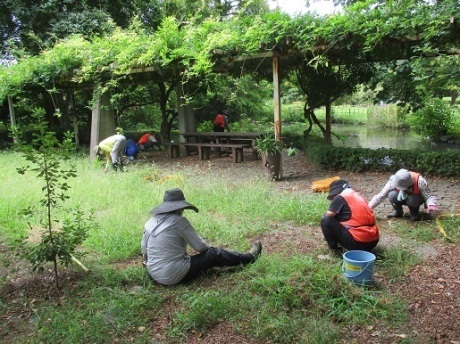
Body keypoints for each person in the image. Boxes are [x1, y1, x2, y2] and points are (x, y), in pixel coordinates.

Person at [141, 188, 262, 286]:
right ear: (180, 207)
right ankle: (249, 257)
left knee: (202, 256)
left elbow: (144, 250)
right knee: (214, 253)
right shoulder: (179, 222)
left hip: (153, 272)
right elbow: (201, 247)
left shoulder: (151, 221)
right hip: (172, 275)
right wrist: (210, 249)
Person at [319, 179, 379, 260]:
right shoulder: (358, 196)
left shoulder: (341, 197)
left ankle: (334, 254)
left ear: (337, 192)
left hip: (358, 242)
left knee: (326, 219)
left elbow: (328, 218)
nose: (333, 198)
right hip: (373, 241)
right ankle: (362, 250)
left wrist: (328, 235)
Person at [368, 168, 438, 221]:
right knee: (391, 195)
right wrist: (368, 208)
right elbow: (381, 196)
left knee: (412, 199)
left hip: (415, 199)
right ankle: (398, 212)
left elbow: (428, 196)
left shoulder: (420, 181)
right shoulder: (393, 181)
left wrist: (431, 204)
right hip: (400, 197)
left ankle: (414, 213)